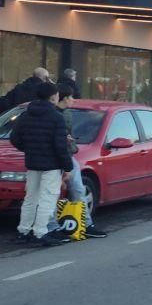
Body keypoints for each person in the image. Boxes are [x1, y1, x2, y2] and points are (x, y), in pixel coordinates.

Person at [8, 80, 74, 247]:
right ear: (53, 97)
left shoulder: (25, 115)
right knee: (47, 200)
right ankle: (40, 233)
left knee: (30, 199)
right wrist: (68, 167)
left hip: (32, 163)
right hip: (51, 165)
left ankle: (24, 231)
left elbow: (14, 138)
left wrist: (29, 149)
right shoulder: (56, 118)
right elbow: (60, 146)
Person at [47, 83, 107, 239]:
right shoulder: (54, 116)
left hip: (67, 157)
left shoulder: (65, 114)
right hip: (56, 159)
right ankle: (52, 227)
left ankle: (85, 224)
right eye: (71, 97)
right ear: (64, 98)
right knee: (53, 194)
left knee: (78, 190)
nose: (73, 100)